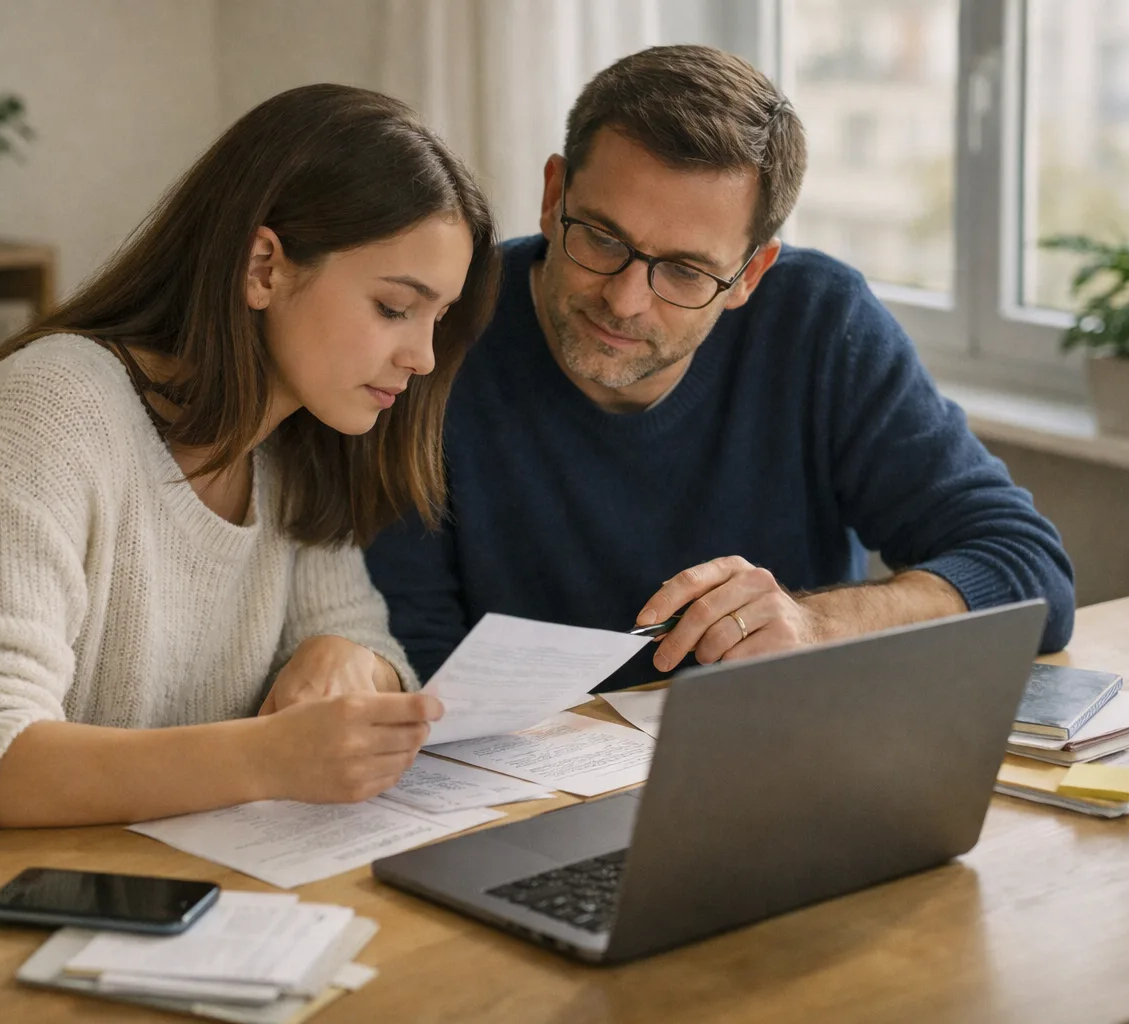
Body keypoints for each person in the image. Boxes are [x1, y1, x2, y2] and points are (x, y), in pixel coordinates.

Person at [0, 84, 500, 885]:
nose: (424, 357)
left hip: (107, 874)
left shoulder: (294, 441)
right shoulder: (54, 405)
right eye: (396, 307)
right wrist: (268, 757)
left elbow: (364, 634)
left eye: (438, 318)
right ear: (264, 268)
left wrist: (344, 653)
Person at [366, 45, 1074, 693]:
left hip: (770, 774)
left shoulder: (820, 323)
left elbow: (1029, 572)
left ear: (749, 274)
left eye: (683, 270)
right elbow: (414, 652)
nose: (624, 299)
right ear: (554, 197)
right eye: (604, 238)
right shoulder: (435, 329)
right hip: (515, 790)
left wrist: (817, 623)